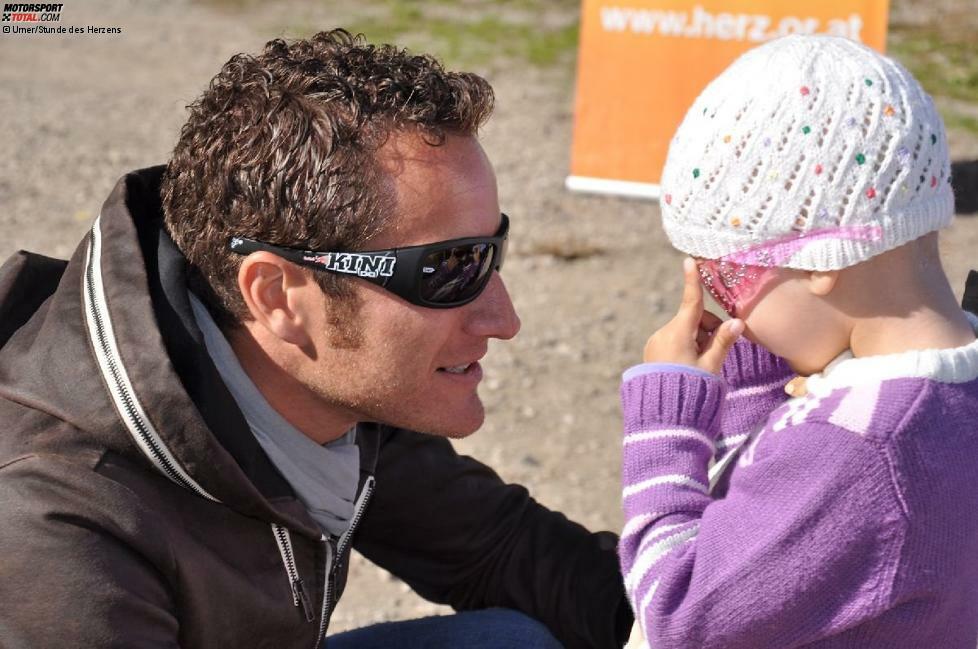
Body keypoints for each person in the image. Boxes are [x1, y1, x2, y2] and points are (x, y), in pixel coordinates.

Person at [0, 30, 632, 648]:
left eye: (490, 252)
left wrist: (700, 610)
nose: (504, 317)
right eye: (447, 268)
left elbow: (502, 552)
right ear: (277, 297)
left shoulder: (312, 384)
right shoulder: (58, 534)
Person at [618, 35, 978, 648]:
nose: (722, 304)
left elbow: (680, 615)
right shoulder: (930, 404)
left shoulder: (860, 449)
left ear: (820, 262)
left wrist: (667, 430)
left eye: (724, 277)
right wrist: (759, 370)